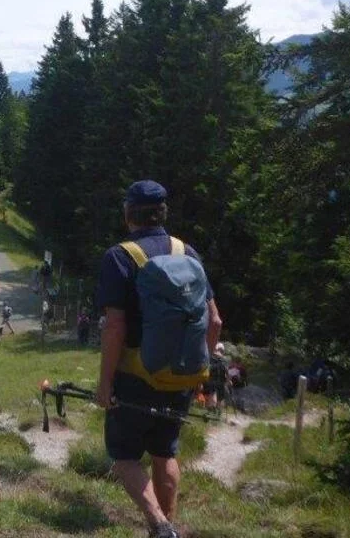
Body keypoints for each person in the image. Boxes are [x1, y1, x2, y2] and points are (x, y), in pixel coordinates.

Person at [96, 180, 222, 538]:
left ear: (128, 214)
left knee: (124, 457)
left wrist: (105, 384)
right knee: (165, 452)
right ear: (162, 213)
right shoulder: (187, 253)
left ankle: (160, 525)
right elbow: (215, 321)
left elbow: (115, 327)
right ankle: (167, 530)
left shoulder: (120, 257)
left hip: (136, 376)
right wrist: (200, 370)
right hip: (183, 373)